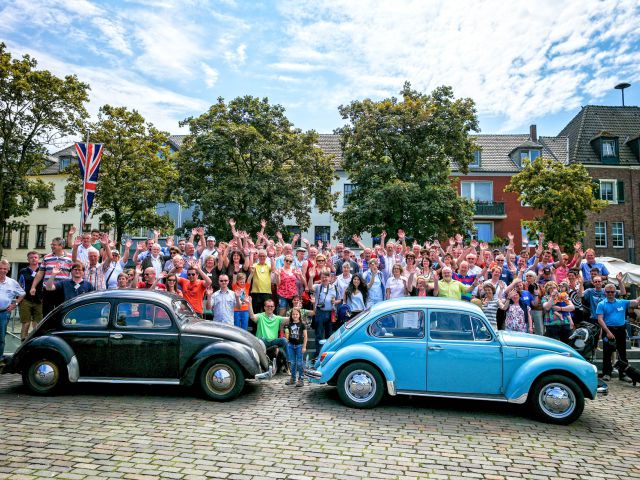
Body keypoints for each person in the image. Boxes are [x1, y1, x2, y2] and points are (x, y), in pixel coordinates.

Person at [597, 284, 640, 382]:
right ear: (605, 292)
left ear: (615, 293)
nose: (610, 294)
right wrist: (607, 331)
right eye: (608, 292)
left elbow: (636, 301)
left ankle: (623, 374)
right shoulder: (602, 304)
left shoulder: (622, 302)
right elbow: (600, 319)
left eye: (612, 292)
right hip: (608, 329)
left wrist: (620, 281)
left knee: (622, 352)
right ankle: (607, 373)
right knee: (607, 352)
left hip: (621, 330)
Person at [30, 237, 74, 316]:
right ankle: (48, 328)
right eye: (52, 244)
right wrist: (33, 287)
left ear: (61, 246)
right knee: (47, 313)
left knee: (62, 312)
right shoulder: (47, 257)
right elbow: (40, 273)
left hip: (62, 289)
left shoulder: (70, 257)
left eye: (54, 245)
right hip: (48, 289)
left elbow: (75, 272)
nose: (52, 246)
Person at [248, 298, 289, 364]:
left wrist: (297, 309)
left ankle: (288, 362)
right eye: (268, 306)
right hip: (263, 342)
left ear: (274, 307)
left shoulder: (277, 318)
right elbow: (252, 316)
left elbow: (291, 318)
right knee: (261, 339)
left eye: (271, 306)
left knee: (284, 340)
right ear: (264, 307)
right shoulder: (260, 316)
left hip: (273, 341)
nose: (270, 307)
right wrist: (249, 304)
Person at [0, 259, 26, 357]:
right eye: (0, 268)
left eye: (5, 269)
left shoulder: (12, 282)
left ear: (8, 270)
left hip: (3, 313)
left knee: (1, 338)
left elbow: (22, 293)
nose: (2, 270)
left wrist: (15, 304)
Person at [18, 251, 42, 342]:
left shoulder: (42, 270)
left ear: (38, 259)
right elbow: (20, 285)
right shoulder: (23, 271)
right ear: (28, 259)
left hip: (39, 300)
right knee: (25, 323)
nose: (33, 259)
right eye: (31, 257)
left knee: (37, 324)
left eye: (35, 257)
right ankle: (23, 343)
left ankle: (36, 342)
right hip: (25, 300)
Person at [313, 272, 339, 354]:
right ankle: (318, 354)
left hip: (330, 313)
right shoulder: (318, 287)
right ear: (321, 278)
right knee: (319, 335)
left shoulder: (334, 287)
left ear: (329, 278)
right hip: (320, 312)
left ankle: (327, 353)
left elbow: (340, 299)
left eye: (326, 277)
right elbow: (310, 287)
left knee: (330, 335)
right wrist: (311, 277)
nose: (325, 279)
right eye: (323, 277)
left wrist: (335, 301)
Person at [284, 308, 307, 387]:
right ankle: (293, 378)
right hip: (291, 345)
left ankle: (301, 379)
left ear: (299, 315)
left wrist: (304, 346)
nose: (295, 316)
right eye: (293, 314)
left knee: (300, 363)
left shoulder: (302, 324)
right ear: (291, 315)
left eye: (297, 314)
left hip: (299, 346)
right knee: (293, 363)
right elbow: (287, 334)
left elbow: (305, 336)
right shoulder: (289, 324)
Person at [250, 249, 275, 314]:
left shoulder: (268, 265)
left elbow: (273, 269)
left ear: (266, 257)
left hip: (267, 292)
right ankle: (255, 325)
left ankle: (266, 324)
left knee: (267, 312)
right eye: (260, 256)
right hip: (256, 292)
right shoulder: (255, 265)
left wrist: (272, 257)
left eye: (264, 256)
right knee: (255, 312)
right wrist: (251, 254)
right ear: (258, 256)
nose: (262, 257)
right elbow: (250, 267)